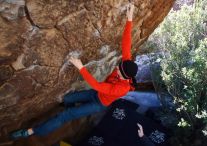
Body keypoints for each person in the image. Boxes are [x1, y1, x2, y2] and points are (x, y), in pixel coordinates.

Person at [10, 3, 138, 139]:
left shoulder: (122, 89)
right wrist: (129, 19)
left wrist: (80, 67)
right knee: (67, 99)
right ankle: (68, 111)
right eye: (119, 65)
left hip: (99, 103)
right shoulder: (126, 65)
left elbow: (98, 85)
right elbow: (126, 43)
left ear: (124, 76)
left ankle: (31, 132)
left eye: (119, 69)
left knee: (66, 115)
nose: (117, 67)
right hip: (96, 93)